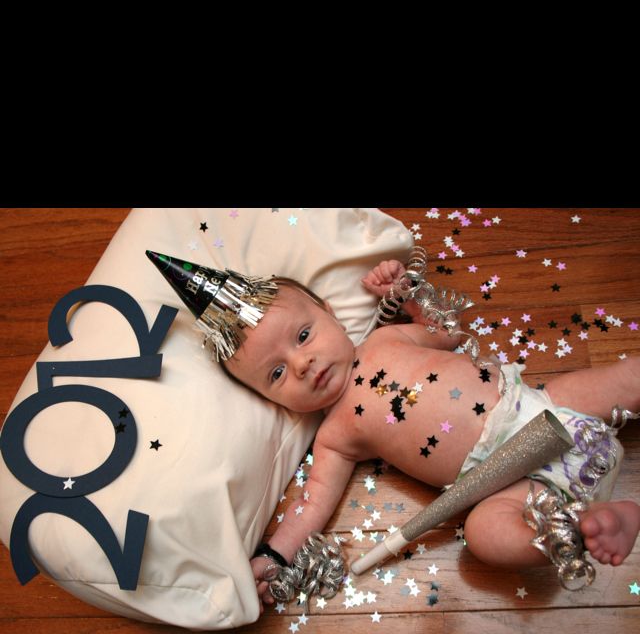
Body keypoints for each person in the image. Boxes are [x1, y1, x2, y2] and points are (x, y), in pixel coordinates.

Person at [144, 250, 640, 610]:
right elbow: (313, 503)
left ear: (331, 315)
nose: (303, 364)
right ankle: (583, 528)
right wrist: (276, 554)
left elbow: (450, 334)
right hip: (510, 488)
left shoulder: (386, 337)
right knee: (484, 536)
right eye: (275, 374)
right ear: (268, 399)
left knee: (613, 382)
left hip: (538, 407)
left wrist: (409, 296)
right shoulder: (336, 434)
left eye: (302, 336)